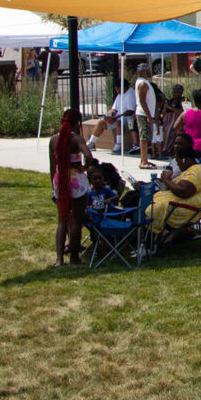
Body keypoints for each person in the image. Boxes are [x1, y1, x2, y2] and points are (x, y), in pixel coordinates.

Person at [49, 108, 96, 267]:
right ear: (77, 123)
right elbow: (89, 155)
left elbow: (52, 166)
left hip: (59, 180)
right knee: (76, 220)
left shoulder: (54, 140)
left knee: (62, 220)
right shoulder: (77, 139)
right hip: (76, 179)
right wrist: (85, 167)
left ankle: (59, 259)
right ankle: (74, 258)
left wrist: (53, 185)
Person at [146, 134, 201, 238]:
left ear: (184, 159)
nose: (178, 165)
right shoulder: (190, 170)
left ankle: (149, 241)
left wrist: (167, 181)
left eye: (178, 162)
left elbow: (184, 192)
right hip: (176, 204)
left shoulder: (197, 171)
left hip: (184, 209)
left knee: (151, 208)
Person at [86, 79, 137, 154]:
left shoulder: (130, 94)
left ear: (123, 87)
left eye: (118, 89)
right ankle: (91, 143)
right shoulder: (119, 95)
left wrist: (116, 117)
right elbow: (114, 109)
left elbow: (130, 111)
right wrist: (108, 115)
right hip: (117, 117)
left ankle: (118, 145)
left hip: (128, 118)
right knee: (101, 122)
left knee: (119, 121)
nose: (117, 91)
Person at [133, 63, 158, 170]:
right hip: (143, 114)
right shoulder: (143, 83)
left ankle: (145, 159)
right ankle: (143, 161)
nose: (149, 71)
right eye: (147, 70)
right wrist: (149, 116)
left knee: (146, 137)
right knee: (144, 137)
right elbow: (143, 101)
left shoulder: (143, 82)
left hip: (145, 113)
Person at [158, 84, 186, 159]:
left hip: (179, 120)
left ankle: (168, 150)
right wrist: (165, 108)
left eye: (177, 92)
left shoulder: (184, 100)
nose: (175, 94)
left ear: (181, 93)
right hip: (168, 120)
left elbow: (184, 112)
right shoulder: (170, 101)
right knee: (163, 130)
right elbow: (162, 114)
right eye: (174, 92)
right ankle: (163, 150)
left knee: (170, 130)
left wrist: (171, 108)